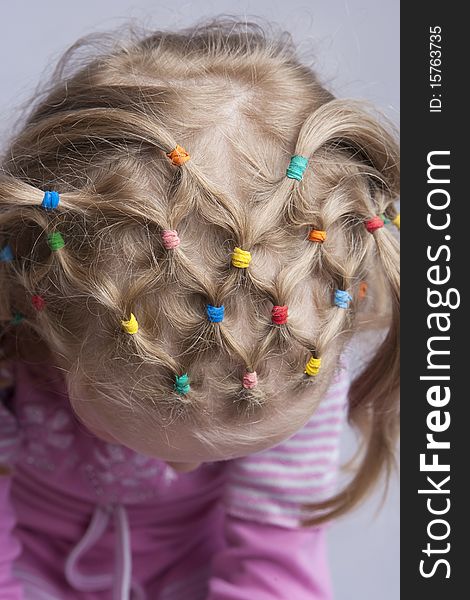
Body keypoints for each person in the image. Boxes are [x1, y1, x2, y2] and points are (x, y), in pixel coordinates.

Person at [0, 17, 400, 600]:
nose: (186, 476)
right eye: (140, 436)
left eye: (237, 451)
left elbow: (275, 563)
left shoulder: (292, 357)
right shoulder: (12, 353)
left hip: (198, 569)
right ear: (47, 323)